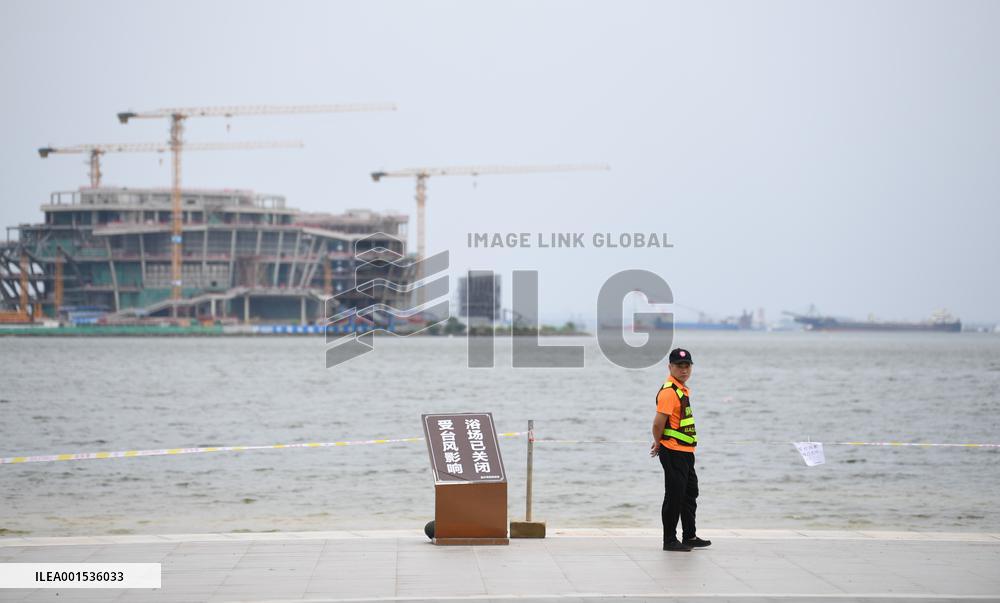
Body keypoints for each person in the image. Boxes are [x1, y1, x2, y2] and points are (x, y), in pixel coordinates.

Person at [650, 347, 712, 552]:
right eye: (679, 366)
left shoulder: (681, 389)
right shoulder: (669, 392)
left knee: (689, 493)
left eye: (687, 366)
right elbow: (658, 423)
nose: (684, 370)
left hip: (685, 452)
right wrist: (658, 441)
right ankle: (669, 540)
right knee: (674, 495)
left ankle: (690, 536)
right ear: (670, 367)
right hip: (672, 450)